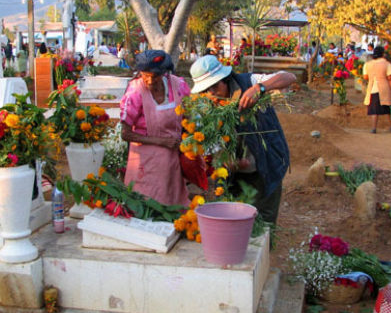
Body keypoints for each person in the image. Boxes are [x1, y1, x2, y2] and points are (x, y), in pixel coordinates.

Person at [189, 55, 295, 223]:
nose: (211, 93)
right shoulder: (202, 109)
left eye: (214, 86)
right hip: (233, 175)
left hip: (266, 163)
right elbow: (210, 150)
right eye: (205, 90)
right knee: (233, 220)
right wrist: (228, 164)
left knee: (264, 221)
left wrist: (259, 88)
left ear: (225, 79)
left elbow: (289, 77)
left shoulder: (248, 82)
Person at [120, 50, 190, 206]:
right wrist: (161, 141)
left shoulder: (178, 85)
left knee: (170, 204)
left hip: (171, 160)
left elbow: (189, 116)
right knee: (144, 206)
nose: (150, 81)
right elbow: (125, 133)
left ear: (165, 73)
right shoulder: (135, 92)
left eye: (155, 76)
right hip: (144, 163)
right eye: (145, 75)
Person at [363, 46, 391, 133]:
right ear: (383, 54)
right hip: (385, 88)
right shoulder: (387, 64)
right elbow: (390, 78)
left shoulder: (367, 64)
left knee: (374, 110)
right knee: (389, 107)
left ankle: (373, 128)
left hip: (372, 89)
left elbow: (365, 77)